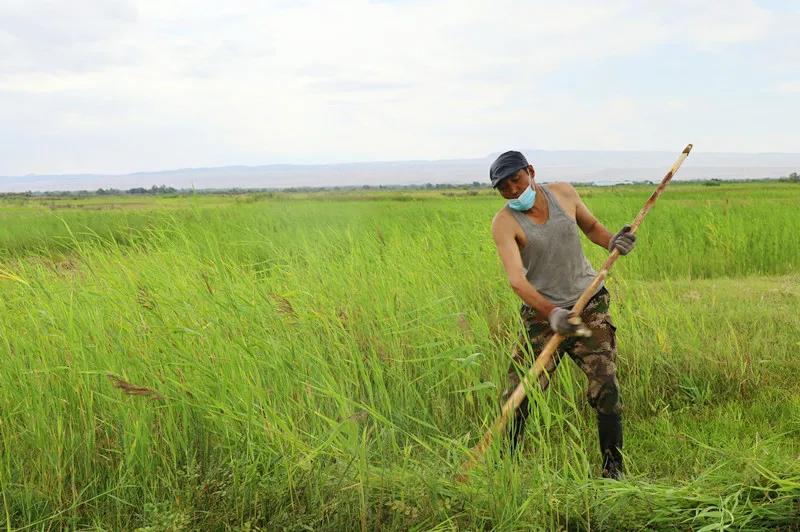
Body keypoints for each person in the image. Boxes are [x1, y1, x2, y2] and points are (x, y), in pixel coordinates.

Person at [489, 150, 635, 479]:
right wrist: (551, 312)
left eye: (516, 180)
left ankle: (613, 471)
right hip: (542, 318)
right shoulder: (504, 223)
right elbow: (517, 280)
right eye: (503, 187)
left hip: (589, 306)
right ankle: (505, 470)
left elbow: (592, 227)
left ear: (531, 171)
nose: (512, 189)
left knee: (606, 387)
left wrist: (614, 241)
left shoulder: (564, 194)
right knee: (518, 393)